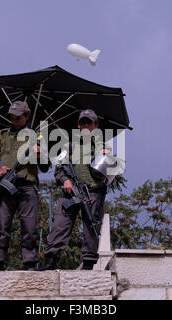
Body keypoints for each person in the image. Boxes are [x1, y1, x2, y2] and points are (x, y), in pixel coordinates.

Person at [40, 109, 110, 271]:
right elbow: (58, 169)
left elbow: (113, 172)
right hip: (71, 192)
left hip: (93, 192)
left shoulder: (103, 147)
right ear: (79, 125)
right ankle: (50, 261)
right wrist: (66, 181)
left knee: (92, 228)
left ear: (96, 125)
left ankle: (88, 264)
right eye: (83, 122)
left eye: (89, 122)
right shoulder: (68, 146)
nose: (86, 125)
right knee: (60, 225)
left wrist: (106, 156)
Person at [0, 100, 49, 271]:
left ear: (26, 116)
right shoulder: (3, 135)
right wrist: (0, 167)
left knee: (29, 227)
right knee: (2, 226)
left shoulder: (36, 137)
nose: (13, 120)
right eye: (11, 117)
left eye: (18, 118)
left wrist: (39, 153)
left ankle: (30, 263)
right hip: (6, 185)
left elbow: (45, 167)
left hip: (27, 187)